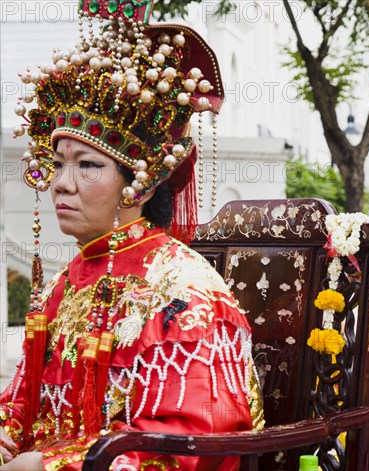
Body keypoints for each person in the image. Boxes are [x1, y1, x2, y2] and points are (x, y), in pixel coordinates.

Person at [0, 2, 263, 470]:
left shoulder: (183, 294)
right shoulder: (70, 280)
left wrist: (51, 466)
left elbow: (187, 442)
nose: (61, 182)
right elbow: (22, 400)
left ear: (138, 184)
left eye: (87, 165)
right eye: (58, 163)